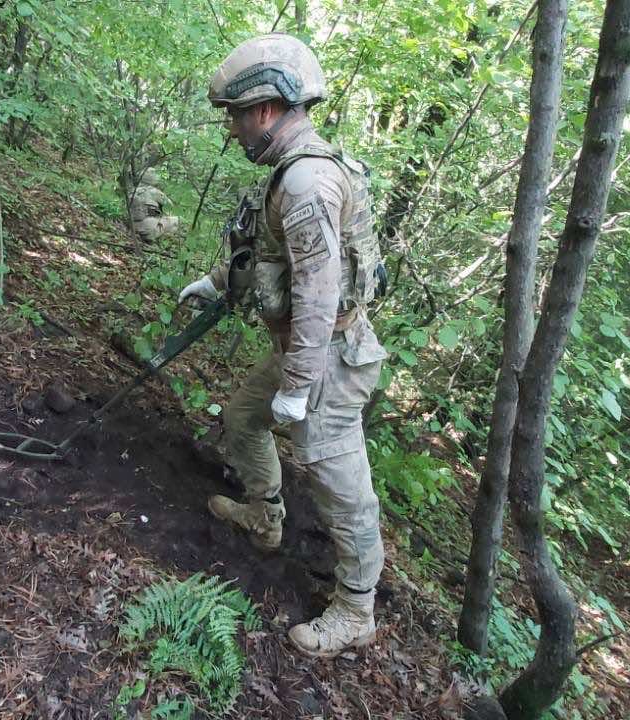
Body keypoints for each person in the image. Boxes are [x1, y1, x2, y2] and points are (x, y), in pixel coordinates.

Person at [178, 33, 389, 658]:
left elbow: (321, 299)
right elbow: (278, 262)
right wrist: (218, 280)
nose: (234, 130)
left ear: (266, 109)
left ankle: (357, 608)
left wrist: (298, 389)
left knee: (338, 481)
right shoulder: (296, 173)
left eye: (237, 116)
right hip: (303, 348)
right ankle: (264, 517)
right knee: (243, 419)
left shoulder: (305, 184)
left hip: (326, 358)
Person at [128, 168, 182, 242]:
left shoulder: (132, 191)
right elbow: (170, 207)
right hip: (148, 230)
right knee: (178, 219)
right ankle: (163, 240)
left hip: (131, 227)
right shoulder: (154, 192)